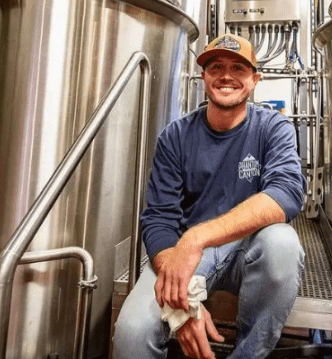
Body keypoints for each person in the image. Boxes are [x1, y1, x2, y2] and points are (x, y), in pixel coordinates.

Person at [113, 33, 305, 359]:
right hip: (187, 255)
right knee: (132, 335)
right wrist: (183, 304)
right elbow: (159, 220)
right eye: (215, 67)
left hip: (248, 246)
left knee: (283, 244)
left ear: (254, 80)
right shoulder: (175, 136)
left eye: (238, 68)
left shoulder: (273, 128)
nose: (226, 75)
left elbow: (286, 193)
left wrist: (197, 237)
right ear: (203, 77)